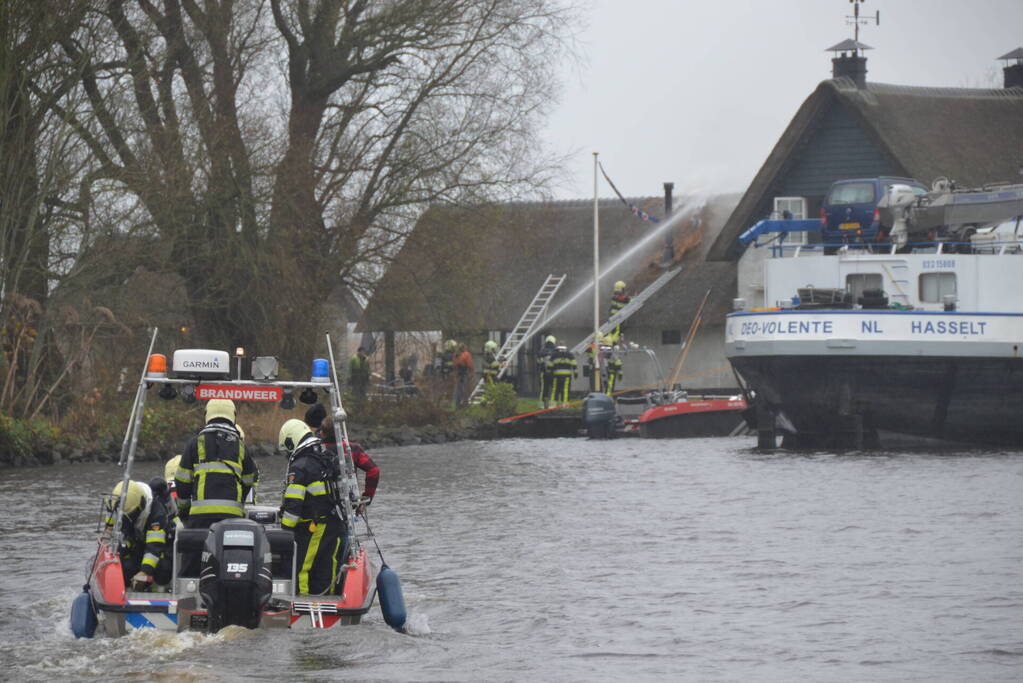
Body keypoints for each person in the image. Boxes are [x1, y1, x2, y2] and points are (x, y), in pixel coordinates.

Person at [278, 419, 345, 595]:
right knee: (326, 566)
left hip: (313, 526)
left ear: (291, 442)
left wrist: (284, 530)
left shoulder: (300, 466)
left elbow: (293, 506)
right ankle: (328, 601)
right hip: (334, 522)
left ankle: (302, 601)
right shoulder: (327, 457)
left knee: (301, 566)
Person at [175, 399, 257, 529]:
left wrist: (184, 511)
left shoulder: (195, 443)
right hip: (232, 515)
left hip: (200, 516)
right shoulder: (240, 446)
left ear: (207, 415)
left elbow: (182, 482)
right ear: (233, 415)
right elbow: (249, 479)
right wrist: (239, 501)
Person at [104, 479, 174, 592]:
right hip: (136, 541)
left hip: (161, 547)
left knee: (163, 570)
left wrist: (144, 572)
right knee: (124, 566)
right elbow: (111, 514)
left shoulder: (157, 514)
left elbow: (154, 546)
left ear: (140, 508)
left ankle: (155, 588)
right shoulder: (117, 502)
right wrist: (107, 530)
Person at [318, 415, 379, 514]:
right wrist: (367, 497)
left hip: (324, 505)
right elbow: (374, 471)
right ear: (340, 432)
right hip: (349, 503)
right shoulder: (352, 449)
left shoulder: (316, 451)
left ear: (322, 433)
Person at [453, 342, 474, 407]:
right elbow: (470, 365)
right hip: (465, 373)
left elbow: (454, 365)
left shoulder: (456, 355)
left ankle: (457, 404)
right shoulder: (466, 354)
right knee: (465, 390)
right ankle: (465, 404)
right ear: (464, 348)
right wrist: (471, 373)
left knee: (458, 390)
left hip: (458, 374)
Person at [538, 335, 557, 408]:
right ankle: (552, 404)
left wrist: (542, 368)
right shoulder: (556, 351)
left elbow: (539, 362)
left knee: (543, 389)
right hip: (553, 373)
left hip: (544, 373)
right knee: (553, 388)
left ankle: (542, 405)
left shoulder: (542, 351)